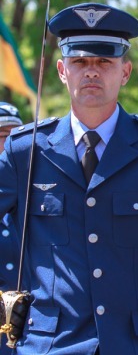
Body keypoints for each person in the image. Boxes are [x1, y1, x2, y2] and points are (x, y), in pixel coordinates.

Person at [0, 2, 138, 355]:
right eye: (80, 62)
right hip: (49, 346)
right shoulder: (27, 150)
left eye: (104, 62)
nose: (91, 72)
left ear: (126, 71)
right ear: (61, 70)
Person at [0, 101, 23, 355]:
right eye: (2, 136)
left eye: (14, 136)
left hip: (33, 331)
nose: (8, 145)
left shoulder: (35, 192)